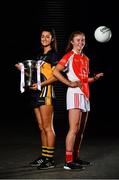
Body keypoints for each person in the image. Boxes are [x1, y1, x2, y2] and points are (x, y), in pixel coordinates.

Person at [53, 31, 104, 170]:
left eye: (83, 40)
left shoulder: (86, 58)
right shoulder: (69, 56)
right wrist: (69, 83)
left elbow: (83, 79)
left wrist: (94, 78)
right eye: (78, 40)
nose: (81, 42)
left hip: (85, 94)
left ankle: (76, 158)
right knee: (74, 128)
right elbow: (56, 72)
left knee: (80, 130)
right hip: (75, 93)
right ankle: (68, 162)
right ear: (72, 42)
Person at [15, 27, 59, 170]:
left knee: (48, 127)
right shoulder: (38, 56)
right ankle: (44, 156)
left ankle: (50, 160)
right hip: (35, 94)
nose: (44, 39)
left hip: (46, 92)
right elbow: (34, 77)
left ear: (52, 39)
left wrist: (41, 84)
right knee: (41, 128)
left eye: (47, 36)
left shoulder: (54, 55)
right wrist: (23, 71)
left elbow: (55, 76)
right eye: (42, 36)